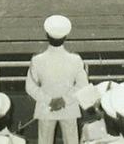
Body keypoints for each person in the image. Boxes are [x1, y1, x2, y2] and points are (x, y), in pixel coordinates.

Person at [26, 15, 89, 144]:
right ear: (65, 37)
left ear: (47, 36)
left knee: (44, 141)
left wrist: (49, 101)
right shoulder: (75, 59)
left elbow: (30, 87)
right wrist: (64, 100)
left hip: (46, 108)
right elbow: (83, 85)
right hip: (69, 108)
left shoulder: (37, 60)